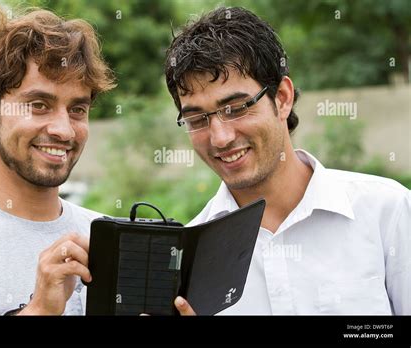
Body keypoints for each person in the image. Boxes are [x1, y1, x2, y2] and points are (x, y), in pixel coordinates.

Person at [165, 7, 410, 315]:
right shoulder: (187, 261)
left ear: (282, 98)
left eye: (236, 108)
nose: (220, 137)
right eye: (198, 119)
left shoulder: (387, 212)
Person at [0, 6, 115, 315]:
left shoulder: (108, 238)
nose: (63, 130)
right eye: (39, 104)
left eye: (77, 109)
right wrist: (38, 311)